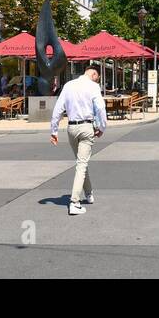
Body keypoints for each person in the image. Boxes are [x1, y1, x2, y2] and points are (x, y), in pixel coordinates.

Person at [49, 66, 107, 216]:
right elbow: (101, 108)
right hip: (87, 127)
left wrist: (54, 131)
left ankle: (88, 193)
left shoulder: (68, 85)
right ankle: (74, 202)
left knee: (82, 162)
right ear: (93, 73)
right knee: (82, 164)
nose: (97, 80)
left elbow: (58, 109)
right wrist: (102, 127)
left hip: (71, 128)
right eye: (97, 77)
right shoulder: (93, 86)